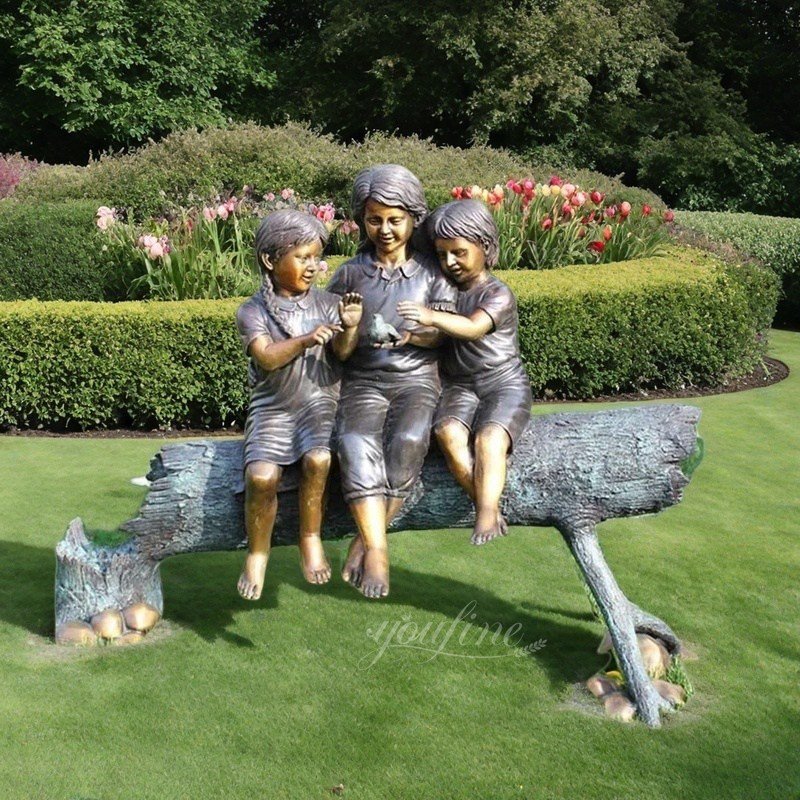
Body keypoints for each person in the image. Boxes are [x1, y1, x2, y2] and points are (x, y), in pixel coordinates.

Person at [326, 164, 457, 598]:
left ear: (414, 218)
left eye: (395, 220)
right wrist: (348, 327)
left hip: (417, 379)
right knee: (353, 439)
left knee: (411, 435)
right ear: (362, 220)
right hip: (362, 381)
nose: (384, 229)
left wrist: (417, 332)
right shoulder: (348, 275)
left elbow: (444, 334)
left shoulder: (432, 275)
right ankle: (379, 552)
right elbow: (339, 353)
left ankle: (365, 540)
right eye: (374, 220)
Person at [235, 209, 363, 599]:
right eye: (302, 257)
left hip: (319, 401)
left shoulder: (327, 303)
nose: (312, 267)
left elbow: (341, 354)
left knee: (319, 460)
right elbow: (267, 357)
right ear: (270, 261)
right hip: (273, 408)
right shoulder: (252, 310)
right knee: (261, 477)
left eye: (315, 258)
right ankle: (258, 553)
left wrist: (351, 325)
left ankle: (311, 537)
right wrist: (306, 340)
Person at [398, 199, 532, 545]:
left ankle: (486, 510)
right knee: (446, 432)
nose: (449, 262)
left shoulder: (498, 293)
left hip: (502, 383)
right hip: (459, 385)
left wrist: (429, 316)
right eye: (442, 255)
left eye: (458, 252)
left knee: (489, 439)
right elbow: (440, 338)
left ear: (484, 247)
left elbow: (472, 328)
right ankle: (486, 503)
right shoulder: (447, 292)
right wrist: (409, 336)